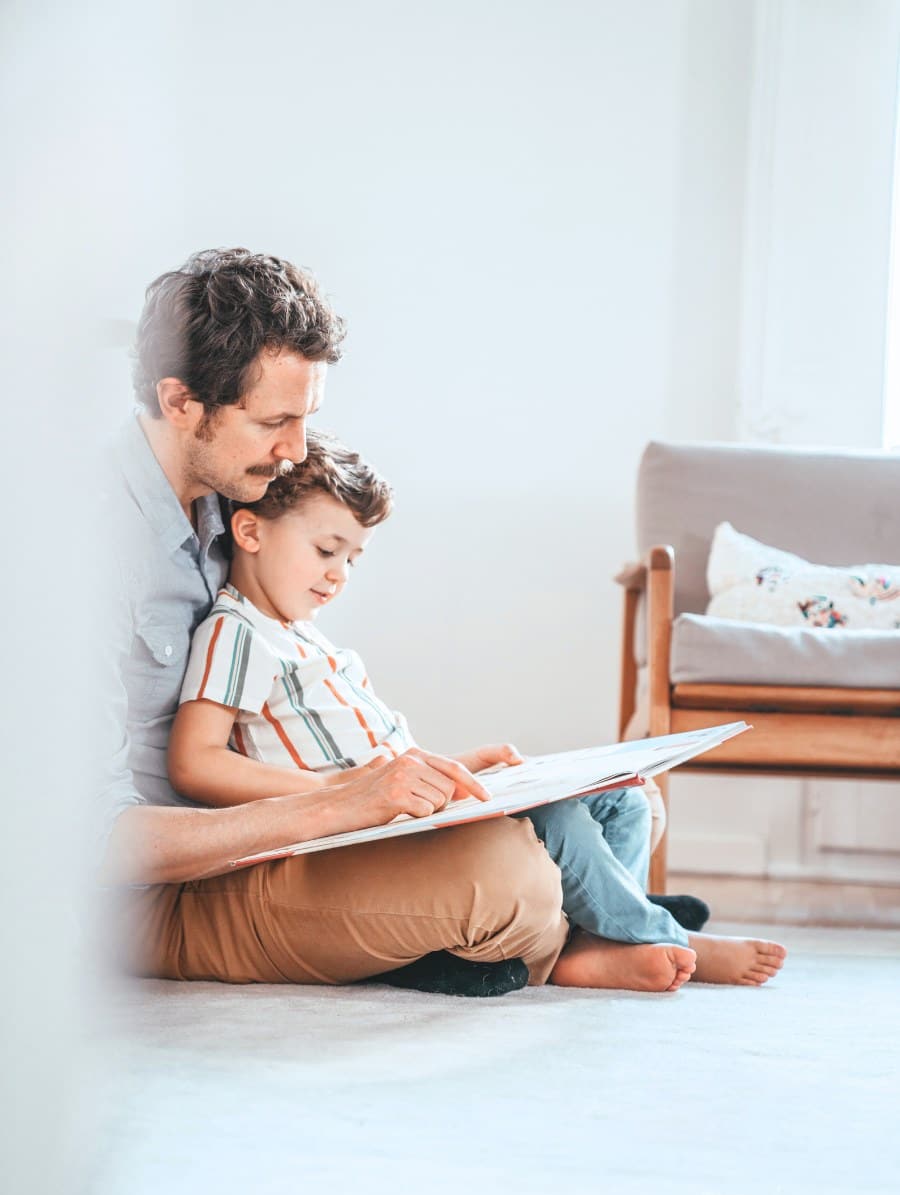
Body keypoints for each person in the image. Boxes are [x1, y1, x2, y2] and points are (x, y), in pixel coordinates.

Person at [100, 246, 784, 995]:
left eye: (305, 419)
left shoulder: (233, 502)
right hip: (162, 886)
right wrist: (339, 800)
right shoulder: (83, 557)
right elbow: (97, 833)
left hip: (269, 844)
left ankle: (593, 924)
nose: (295, 451)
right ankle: (603, 934)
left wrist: (426, 777)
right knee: (514, 875)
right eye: (275, 421)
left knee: (613, 804)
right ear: (180, 402)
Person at [167, 428, 786, 991]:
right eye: (327, 550)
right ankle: (662, 937)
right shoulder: (237, 632)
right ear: (250, 533)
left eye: (352, 559)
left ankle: (595, 939)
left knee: (623, 798)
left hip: (399, 808)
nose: (339, 576)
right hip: (356, 834)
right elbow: (195, 763)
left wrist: (456, 769)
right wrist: (335, 792)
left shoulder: (308, 639)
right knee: (560, 818)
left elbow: (383, 761)